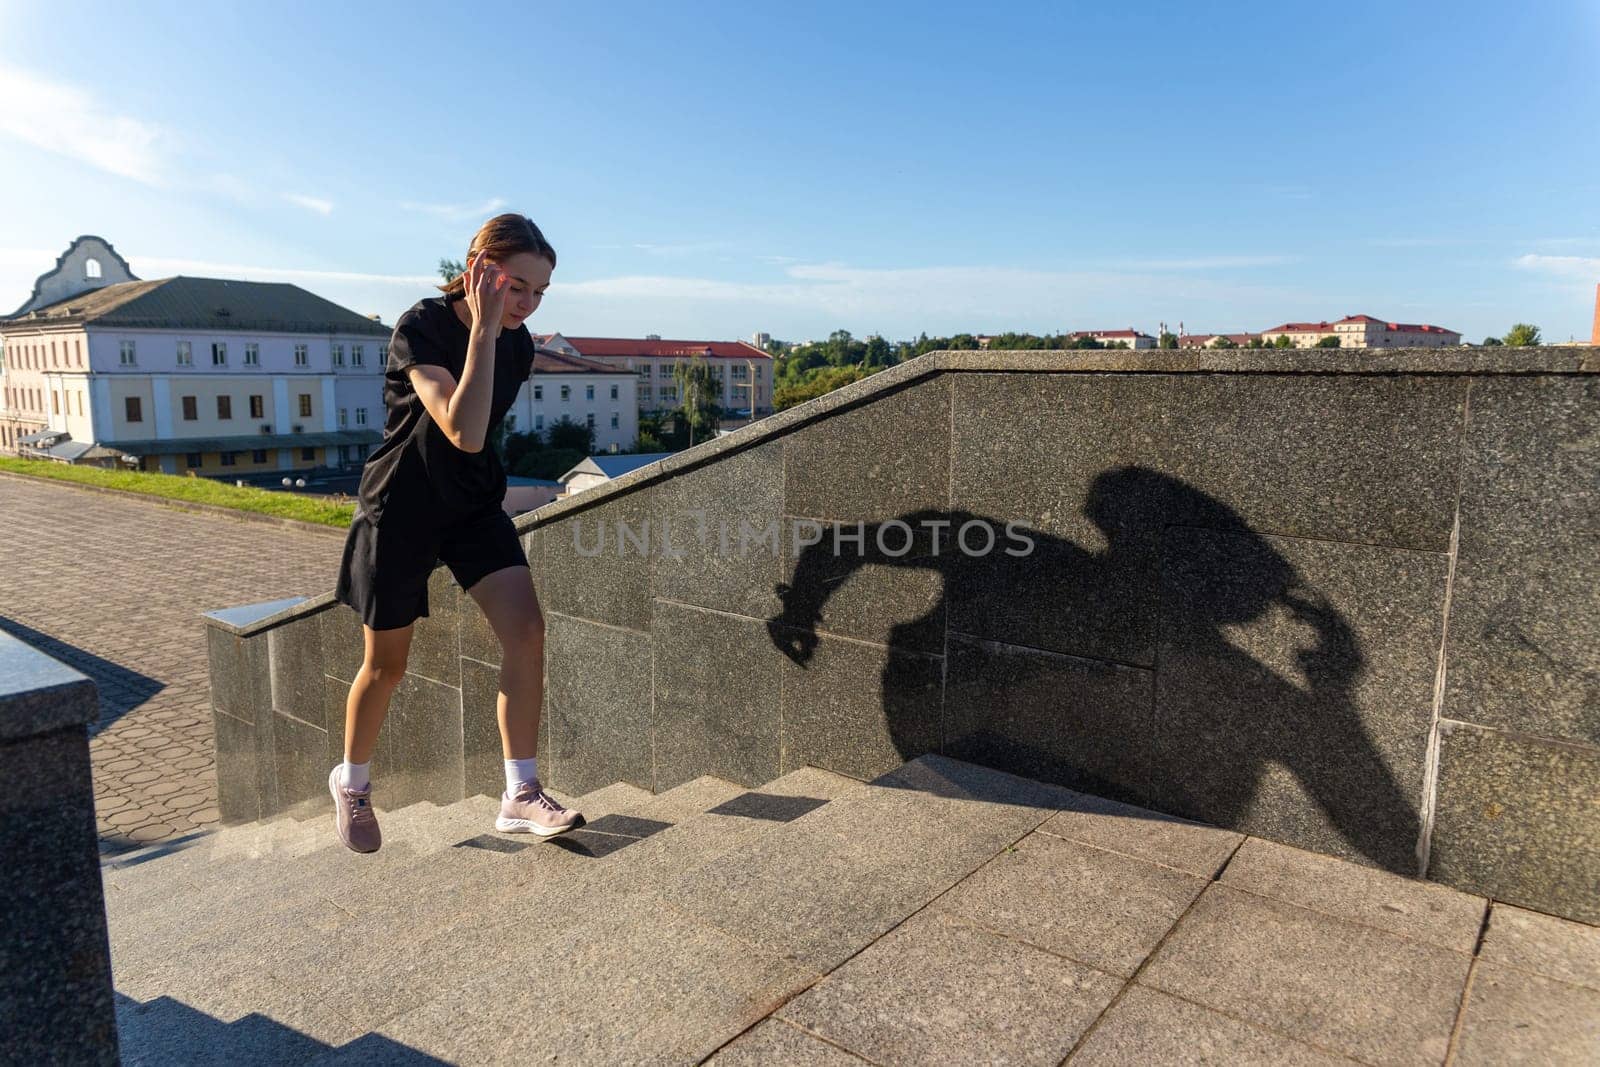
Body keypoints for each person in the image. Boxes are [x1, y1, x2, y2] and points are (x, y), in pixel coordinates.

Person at [328, 213, 581, 853]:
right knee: (386, 667)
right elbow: (461, 427)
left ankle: (520, 793)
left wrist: (498, 332)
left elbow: (474, 446)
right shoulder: (423, 325)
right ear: (478, 270)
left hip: (468, 503)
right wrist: (484, 335)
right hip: (402, 507)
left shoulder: (518, 344)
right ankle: (352, 782)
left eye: (537, 293)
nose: (525, 303)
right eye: (516, 286)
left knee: (527, 631)